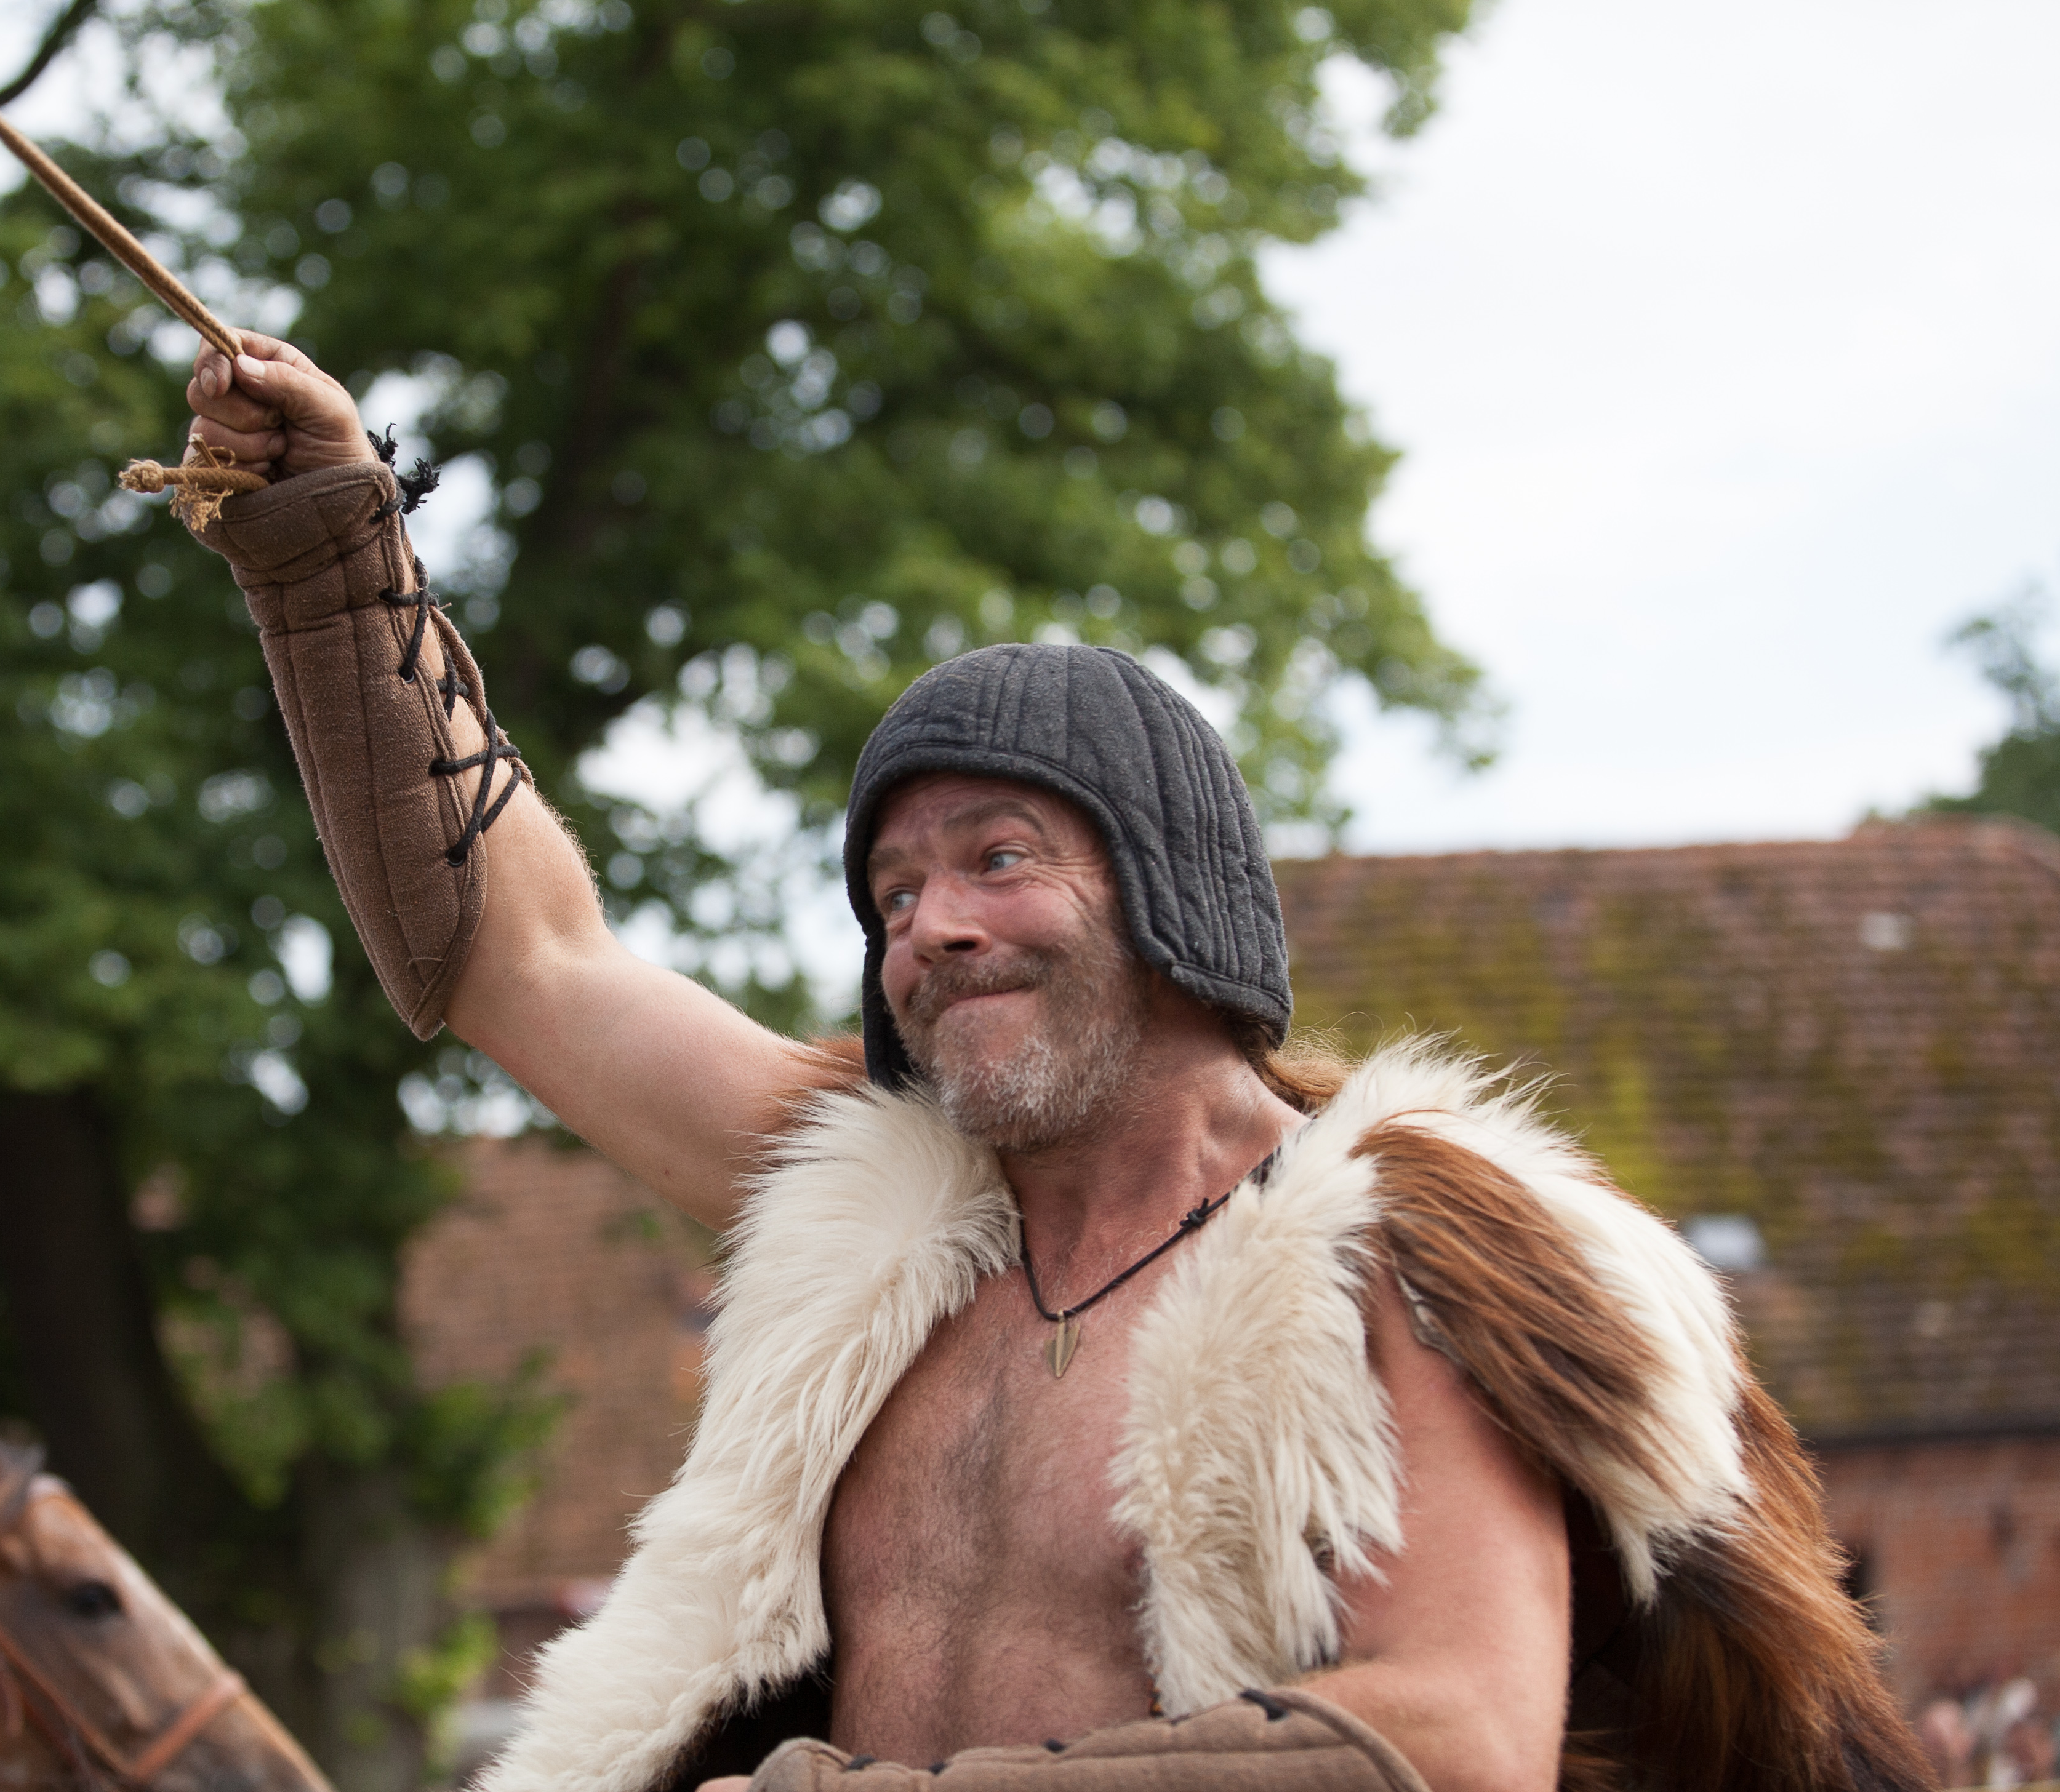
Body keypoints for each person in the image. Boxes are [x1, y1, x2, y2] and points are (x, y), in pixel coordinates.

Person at [177, 334, 1930, 1792]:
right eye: (893, 892)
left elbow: (1454, 1739)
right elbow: (528, 958)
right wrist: (334, 549)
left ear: (1171, 894)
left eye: (1000, 859)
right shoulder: (868, 1206)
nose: (931, 925)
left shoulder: (1402, 1258)